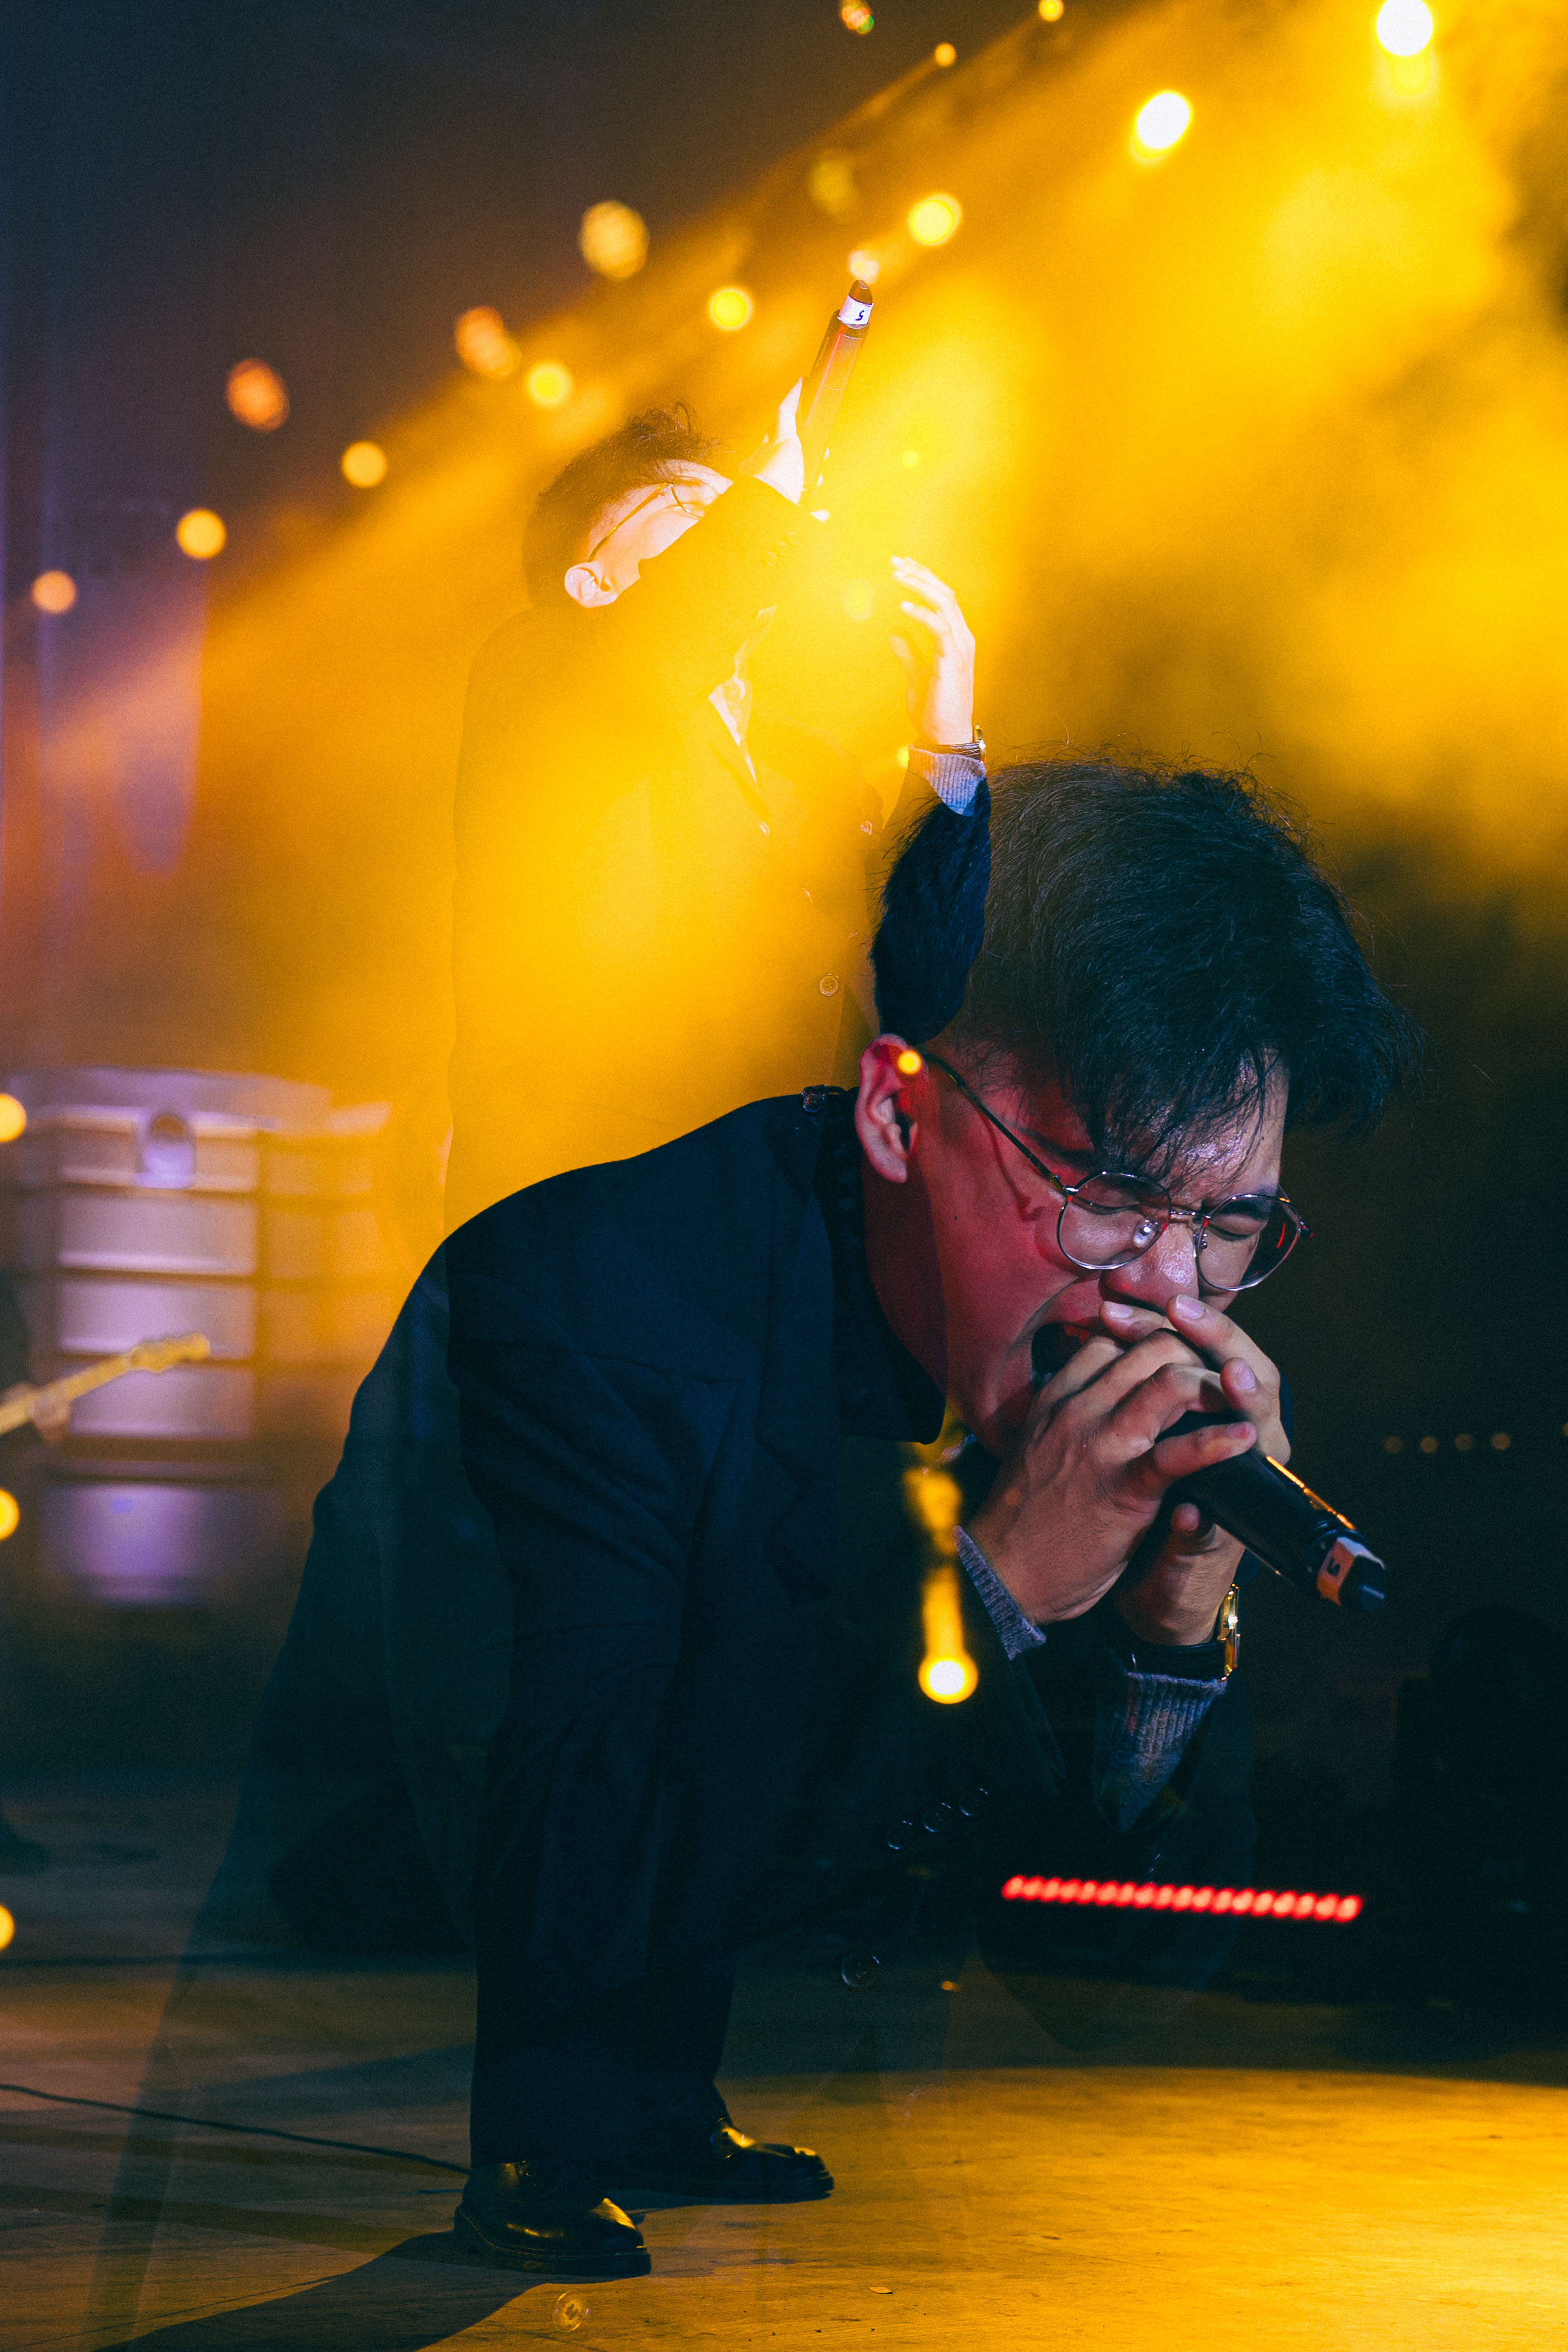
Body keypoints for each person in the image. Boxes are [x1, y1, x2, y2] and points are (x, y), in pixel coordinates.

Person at [441, 754, 1420, 2277]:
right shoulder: (604, 1318)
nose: (1164, 1291)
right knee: (654, 1695)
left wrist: (1169, 1634)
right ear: (900, 1112)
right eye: (1111, 1194)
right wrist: (993, 1588)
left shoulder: (1026, 1345)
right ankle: (548, 2140)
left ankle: (658, 2103)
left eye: (1229, 1224)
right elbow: (591, 1781)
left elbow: (1116, 1975)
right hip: (562, 1635)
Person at [446, 384, 979, 1227]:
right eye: (690, 506)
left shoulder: (814, 770)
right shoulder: (535, 670)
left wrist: (946, 745)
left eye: (728, 511)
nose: (734, 524)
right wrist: (762, 501)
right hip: (594, 1239)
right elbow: (659, 639)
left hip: (787, 1242)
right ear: (589, 580)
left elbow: (921, 986)